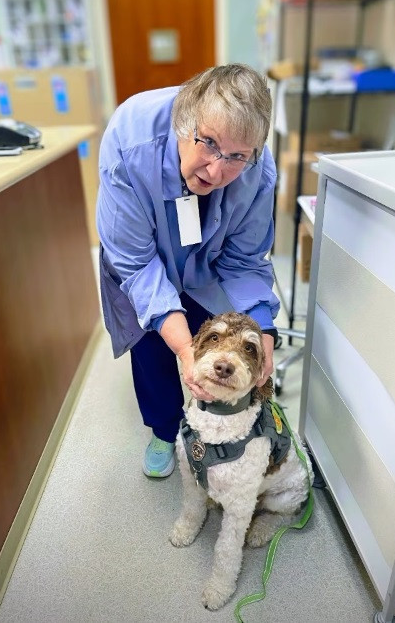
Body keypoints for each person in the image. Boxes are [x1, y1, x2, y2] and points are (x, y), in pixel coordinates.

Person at [97, 63, 280, 478]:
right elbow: (138, 263)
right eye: (209, 143)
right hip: (142, 262)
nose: (217, 171)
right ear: (185, 125)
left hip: (208, 265)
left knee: (215, 341)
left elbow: (244, 261)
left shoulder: (257, 169)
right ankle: (163, 431)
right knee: (155, 348)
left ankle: (213, 427)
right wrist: (181, 349)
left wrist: (264, 330)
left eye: (236, 156)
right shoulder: (132, 139)